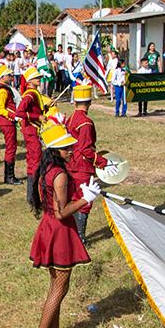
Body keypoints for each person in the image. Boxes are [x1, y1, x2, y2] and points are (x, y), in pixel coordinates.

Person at [28, 123, 102, 328]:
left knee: (56, 283)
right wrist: (85, 200)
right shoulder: (60, 175)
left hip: (49, 228)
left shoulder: (47, 170)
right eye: (66, 148)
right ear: (54, 151)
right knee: (60, 286)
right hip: (59, 231)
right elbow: (61, 213)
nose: (71, 150)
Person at [64, 85, 105, 243]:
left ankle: (73, 235)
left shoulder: (72, 117)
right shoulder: (86, 122)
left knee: (74, 198)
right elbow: (86, 149)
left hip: (71, 163)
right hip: (82, 166)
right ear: (89, 102)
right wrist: (104, 162)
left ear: (75, 102)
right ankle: (80, 238)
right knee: (84, 201)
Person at [15, 66, 45, 203]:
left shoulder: (33, 93)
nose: (39, 79)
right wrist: (37, 117)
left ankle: (33, 194)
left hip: (32, 130)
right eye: (36, 77)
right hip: (31, 130)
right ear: (30, 80)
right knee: (35, 160)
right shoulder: (30, 94)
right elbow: (19, 112)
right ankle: (32, 196)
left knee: (35, 159)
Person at [0, 66, 22, 185]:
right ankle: (9, 177)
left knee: (12, 147)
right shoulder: (2, 91)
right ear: (2, 77)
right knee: (11, 148)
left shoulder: (5, 89)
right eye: (9, 75)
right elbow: (0, 109)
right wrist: (13, 116)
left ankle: (9, 176)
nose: (11, 77)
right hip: (7, 122)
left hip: (8, 122)